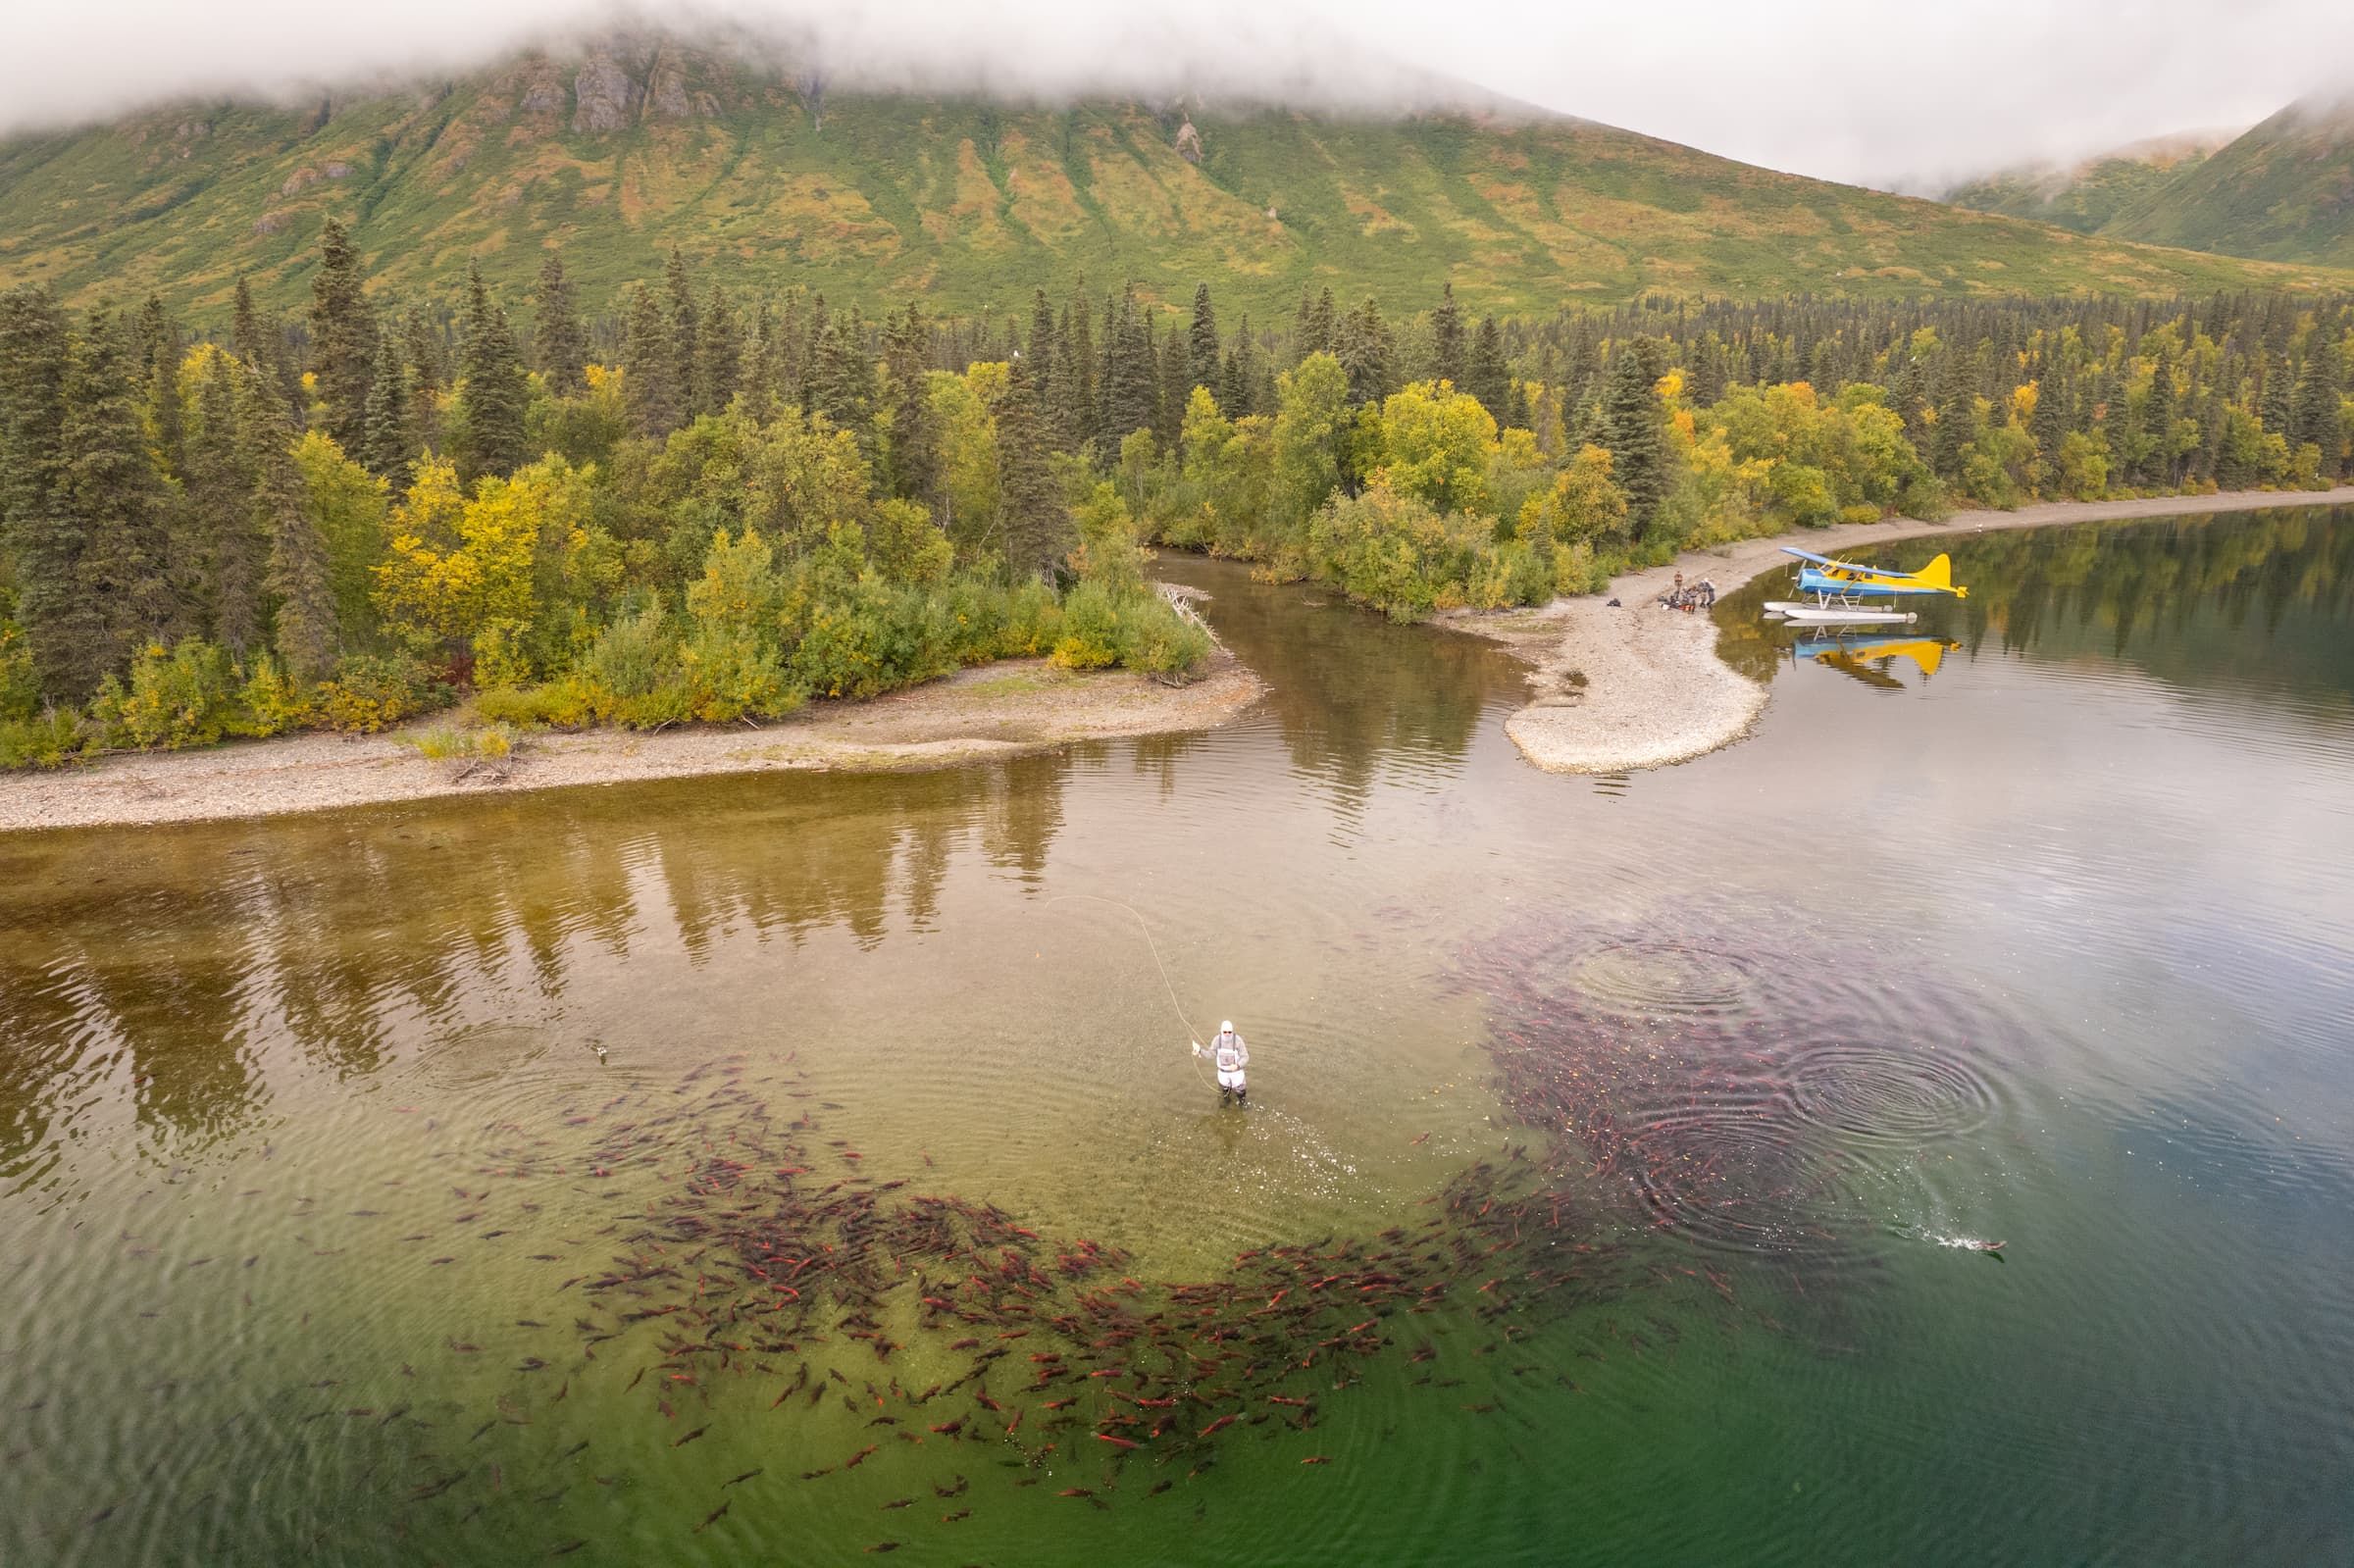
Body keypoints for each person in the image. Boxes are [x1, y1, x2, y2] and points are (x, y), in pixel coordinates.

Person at [1193, 1021, 1250, 1107]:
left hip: (1236, 1073)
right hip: (1223, 1074)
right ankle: (1226, 1104)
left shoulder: (1238, 1040)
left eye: (1229, 1032)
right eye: (1225, 1032)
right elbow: (1211, 1055)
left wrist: (1237, 1066)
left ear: (1232, 1031)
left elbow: (1245, 1057)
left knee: (1241, 1092)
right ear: (1221, 1031)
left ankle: (1242, 1104)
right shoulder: (1216, 1040)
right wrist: (1200, 1050)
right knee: (1224, 1093)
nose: (1227, 1034)